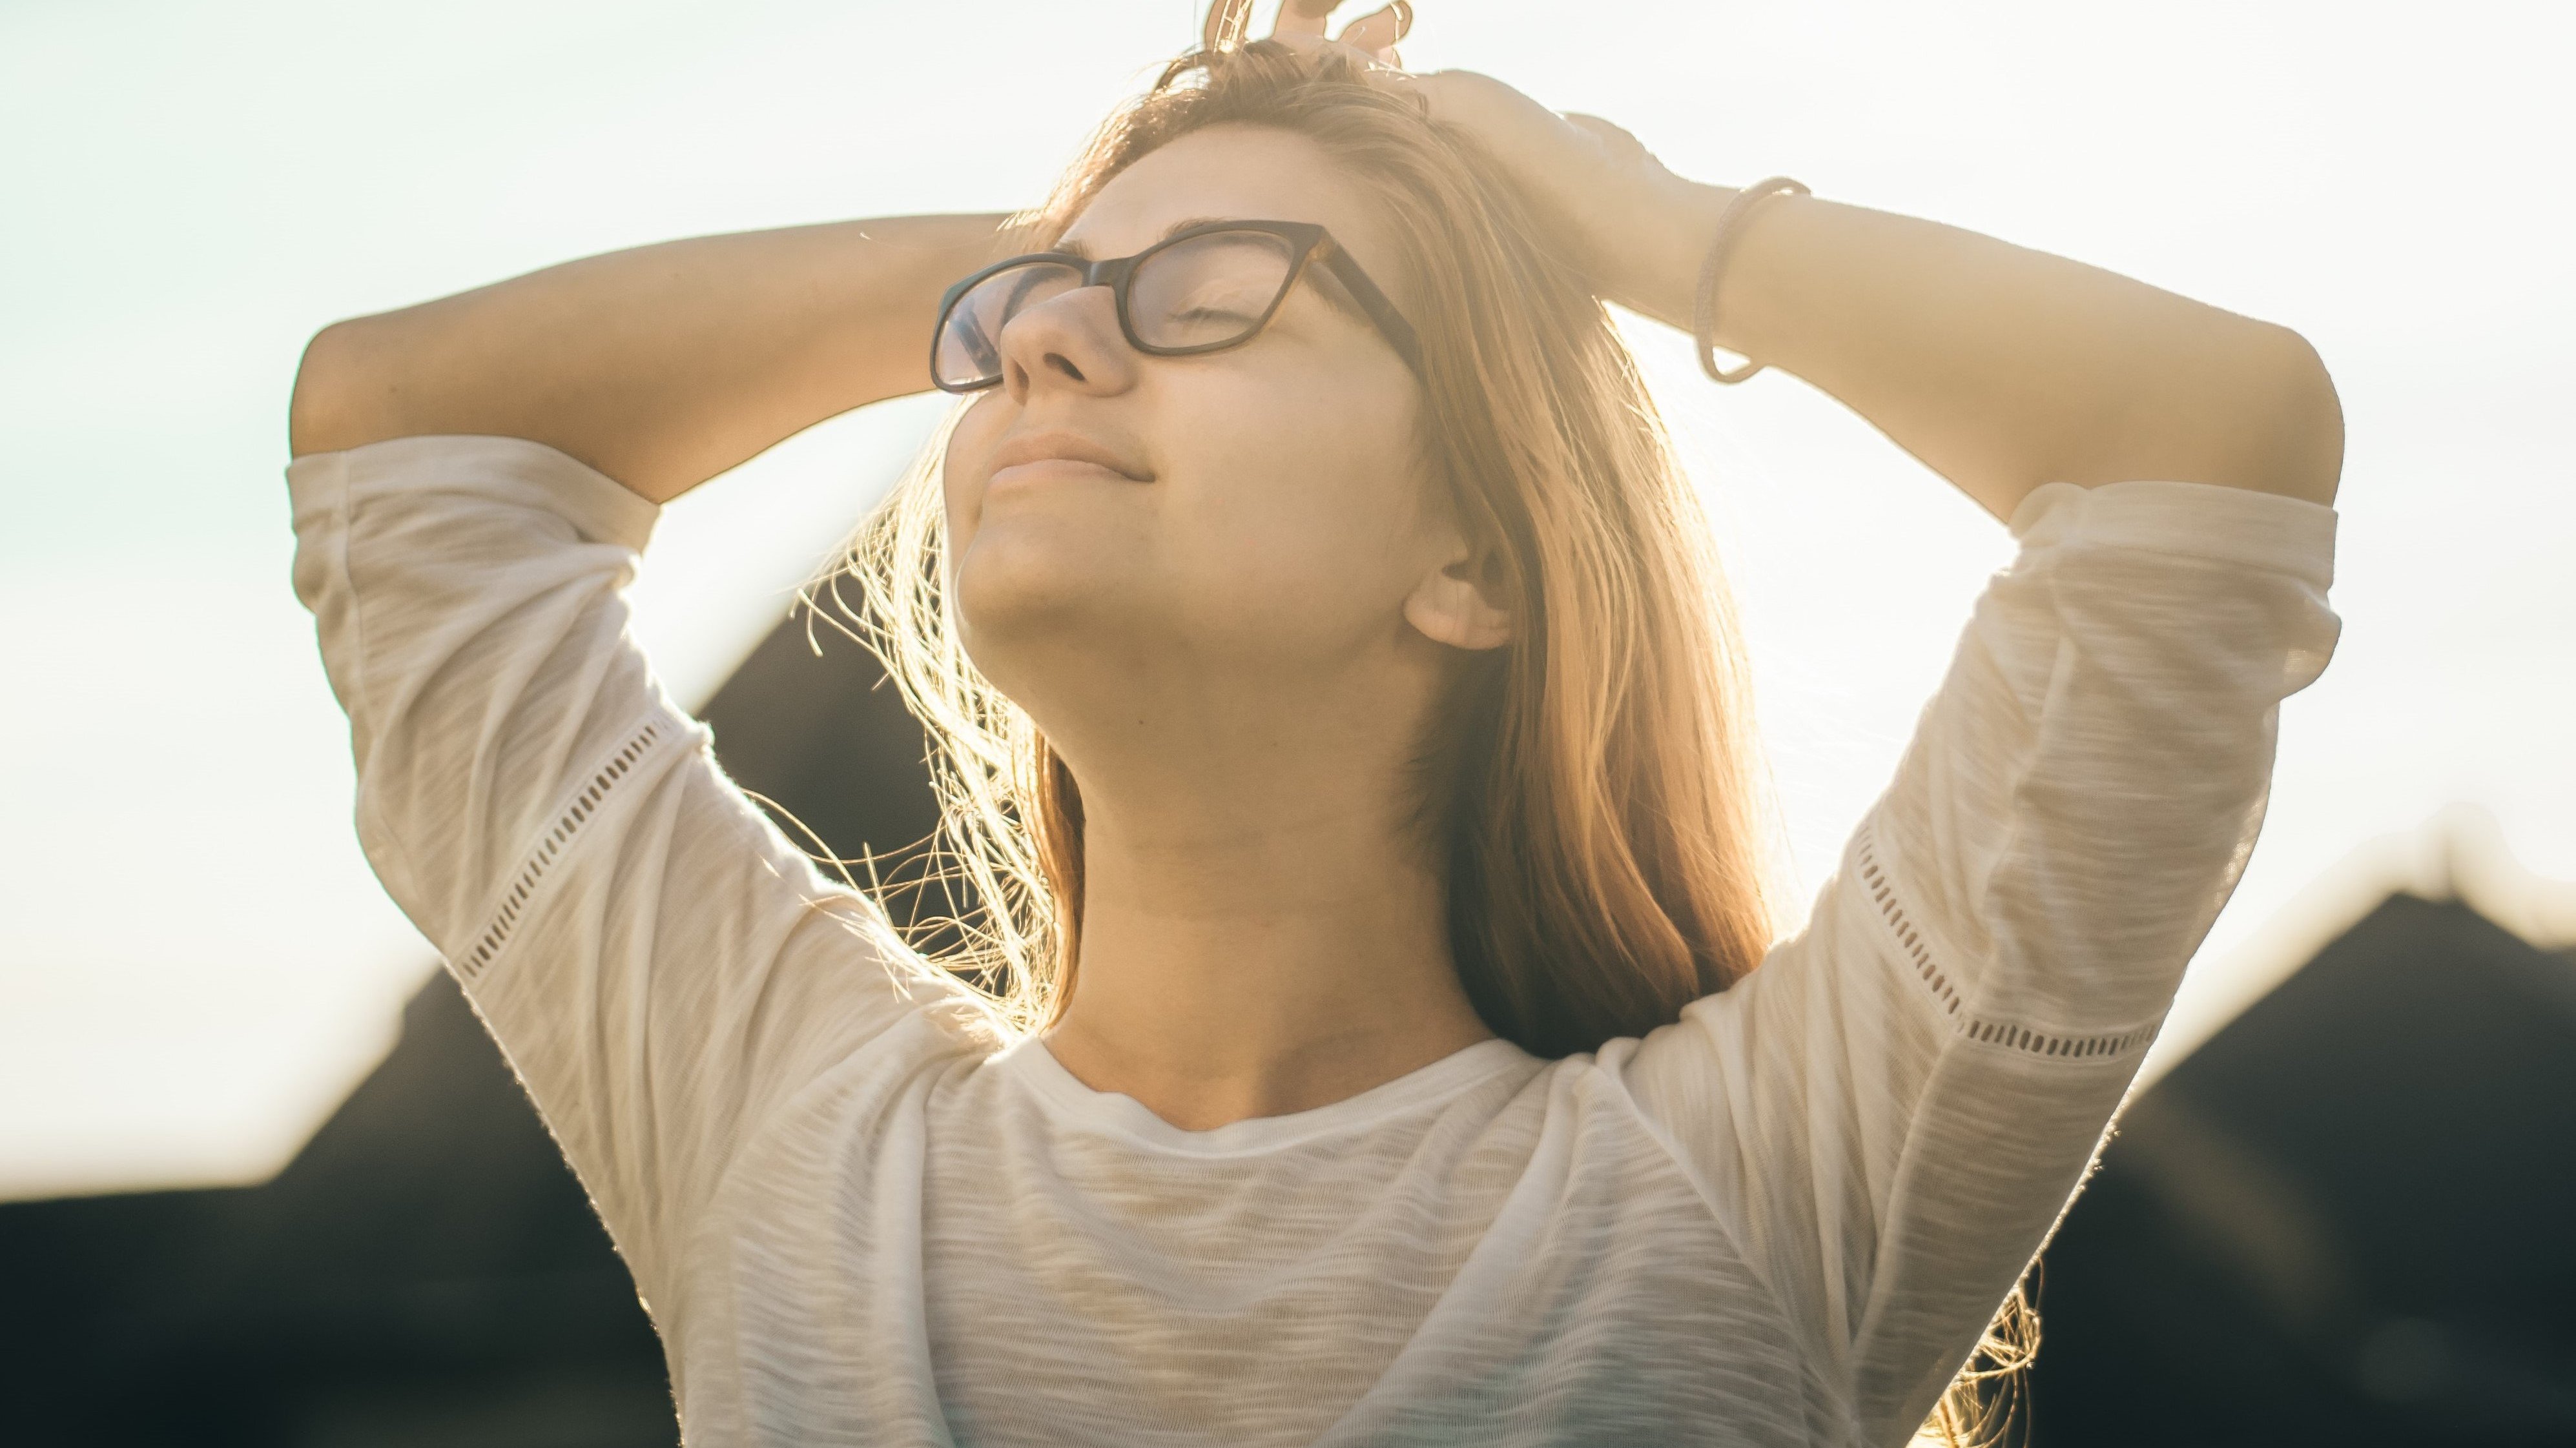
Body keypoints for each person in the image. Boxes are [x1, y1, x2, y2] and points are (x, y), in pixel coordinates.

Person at [285, 3, 2343, 1443]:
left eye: (1223, 290)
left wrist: (1629, 222)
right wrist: (1057, 241)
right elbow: (405, 441)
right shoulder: (790, 1142)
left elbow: (2205, 447)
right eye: (1028, 324)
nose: (1057, 347)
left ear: (1482, 559)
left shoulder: (1761, 1186)